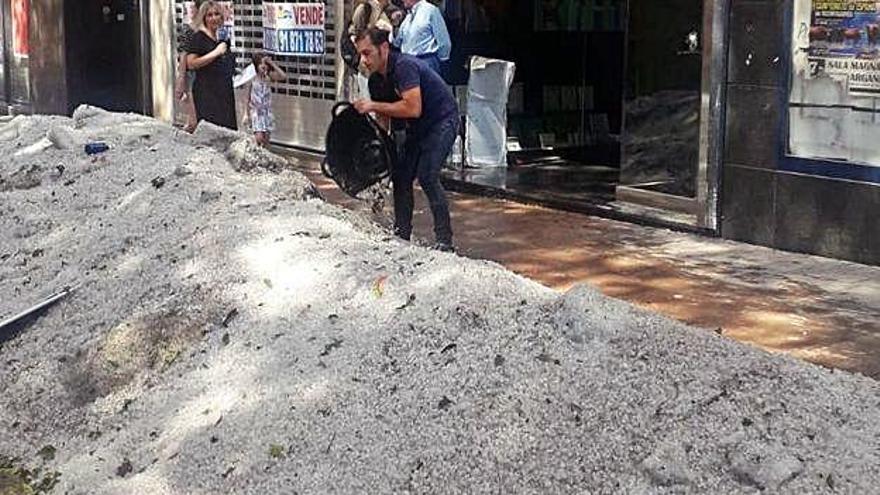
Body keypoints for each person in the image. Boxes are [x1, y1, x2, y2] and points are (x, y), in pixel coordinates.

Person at [353, 28, 459, 252]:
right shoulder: (376, 81)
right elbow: (384, 120)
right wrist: (380, 153)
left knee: (428, 175)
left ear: (383, 48)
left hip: (441, 121)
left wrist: (371, 106)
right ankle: (402, 234)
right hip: (416, 128)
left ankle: (444, 240)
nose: (364, 60)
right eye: (360, 54)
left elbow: (413, 107)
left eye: (367, 53)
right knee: (401, 176)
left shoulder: (404, 67)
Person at [186, 1, 237, 130]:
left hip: (224, 91)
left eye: (217, 14)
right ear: (204, 18)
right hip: (207, 92)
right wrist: (215, 53)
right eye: (209, 15)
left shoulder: (222, 37)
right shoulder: (199, 37)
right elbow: (191, 63)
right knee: (212, 130)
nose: (214, 18)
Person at [394, 0, 451, 75]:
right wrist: (395, 25)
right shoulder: (407, 16)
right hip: (407, 63)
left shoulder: (431, 10)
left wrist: (438, 63)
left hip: (426, 62)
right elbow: (397, 42)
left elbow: (444, 42)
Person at [245, 53, 287, 148]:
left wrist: (272, 63)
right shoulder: (252, 79)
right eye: (261, 64)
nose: (263, 66)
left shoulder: (268, 77)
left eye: (265, 64)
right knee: (259, 137)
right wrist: (246, 114)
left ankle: (265, 156)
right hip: (256, 111)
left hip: (267, 112)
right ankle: (255, 152)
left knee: (266, 138)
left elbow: (283, 76)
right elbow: (247, 97)